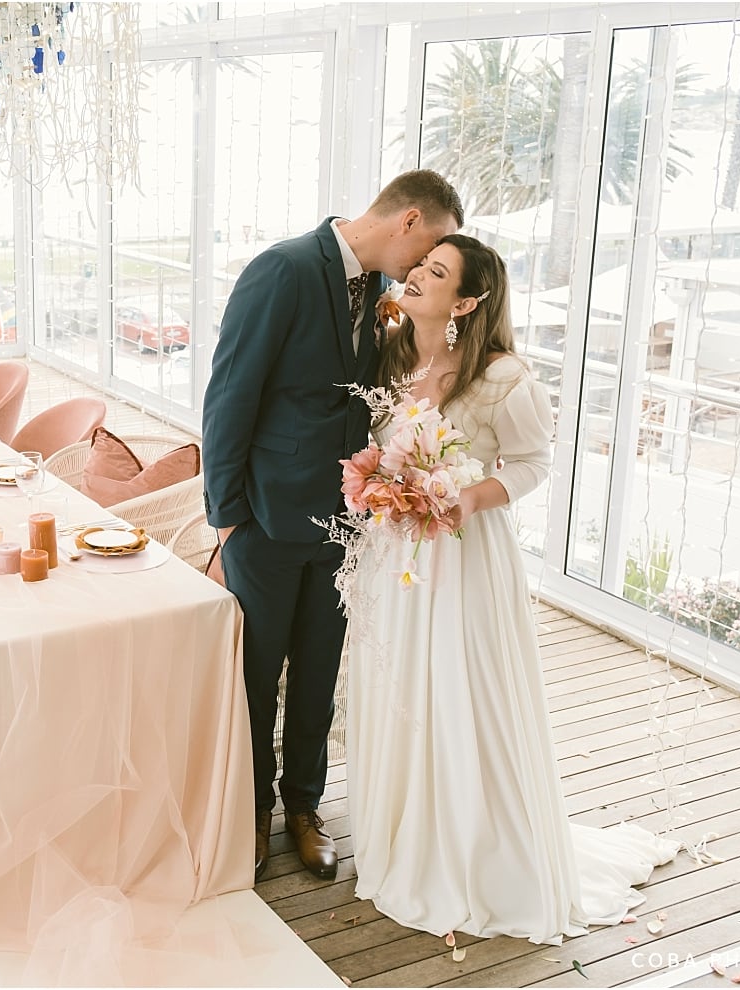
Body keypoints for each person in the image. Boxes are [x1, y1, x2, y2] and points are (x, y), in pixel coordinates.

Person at [345, 234, 678, 942]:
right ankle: (403, 828)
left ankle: (476, 850)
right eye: (419, 265)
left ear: (465, 301)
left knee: (460, 690)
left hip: (461, 553)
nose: (415, 275)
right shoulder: (394, 352)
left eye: (435, 273)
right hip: (393, 553)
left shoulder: (502, 378)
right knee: (398, 683)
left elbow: (531, 462)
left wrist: (467, 499)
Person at [202, 170, 465, 882]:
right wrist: (227, 522)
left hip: (349, 527)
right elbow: (229, 398)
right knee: (256, 680)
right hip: (264, 521)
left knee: (320, 675)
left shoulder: (383, 300)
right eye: (429, 250)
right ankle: (250, 810)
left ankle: (304, 809)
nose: (421, 270)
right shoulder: (281, 270)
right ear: (408, 221)